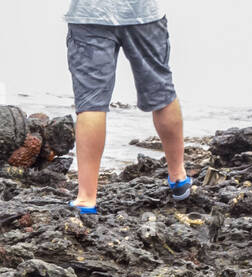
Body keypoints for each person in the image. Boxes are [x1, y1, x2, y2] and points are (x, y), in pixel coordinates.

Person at [65, 0, 188, 215]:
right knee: (162, 91)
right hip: (143, 13)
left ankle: (86, 198)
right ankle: (178, 176)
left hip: (89, 15)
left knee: (91, 104)